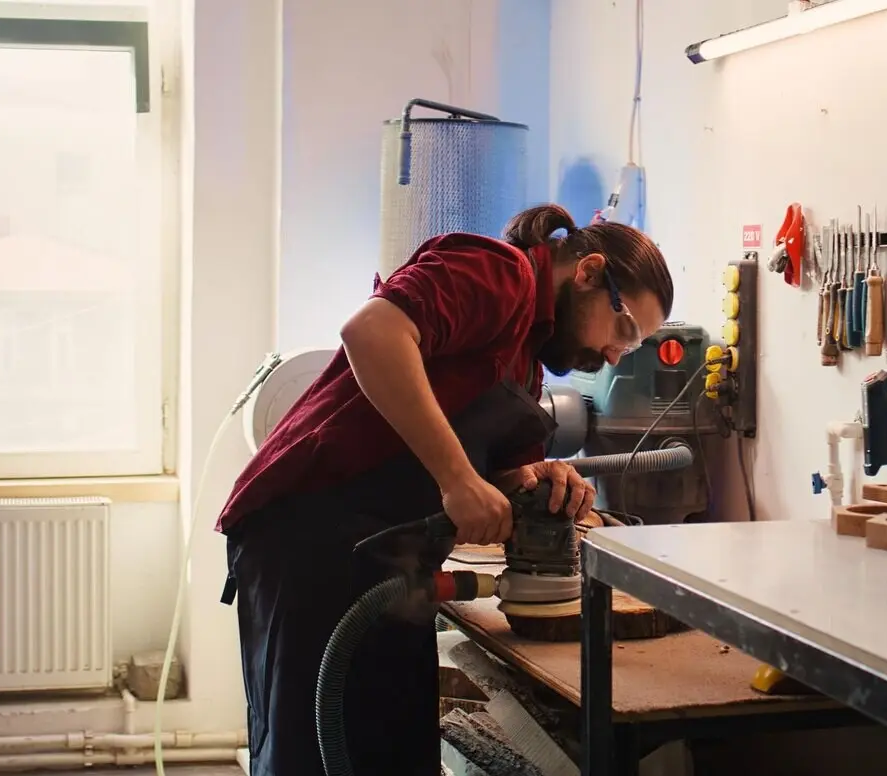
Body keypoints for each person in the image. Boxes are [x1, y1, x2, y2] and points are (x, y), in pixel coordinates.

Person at [217, 203, 674, 776]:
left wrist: (539, 478)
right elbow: (372, 331)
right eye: (624, 329)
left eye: (628, 350)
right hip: (307, 534)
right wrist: (457, 480)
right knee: (311, 751)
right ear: (587, 272)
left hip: (391, 558)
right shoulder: (496, 272)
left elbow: (499, 477)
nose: (613, 356)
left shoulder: (525, 361)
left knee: (393, 752)